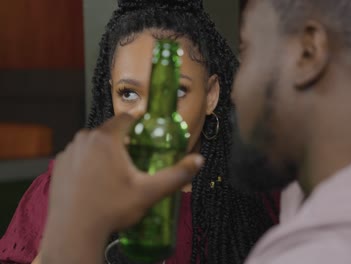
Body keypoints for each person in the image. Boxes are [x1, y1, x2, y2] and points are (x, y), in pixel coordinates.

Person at [35, 0, 351, 263]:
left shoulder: (334, 252)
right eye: (128, 93)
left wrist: (72, 240)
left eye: (247, 49)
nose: (237, 93)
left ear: (308, 52)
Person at [0, 0, 279, 263]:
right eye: (129, 94)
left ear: (211, 95)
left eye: (175, 91)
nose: (150, 116)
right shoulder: (63, 192)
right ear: (110, 94)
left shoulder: (258, 197)